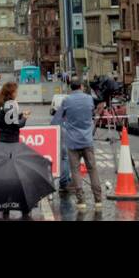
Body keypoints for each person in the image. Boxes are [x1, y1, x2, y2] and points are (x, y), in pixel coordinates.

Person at [52, 79, 104, 210]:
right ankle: (98, 200)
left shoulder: (66, 101)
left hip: (72, 141)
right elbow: (93, 112)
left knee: (75, 171)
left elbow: (55, 121)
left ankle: (81, 201)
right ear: (81, 86)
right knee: (93, 169)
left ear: (70, 88)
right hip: (87, 140)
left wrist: (65, 121)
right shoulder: (89, 99)